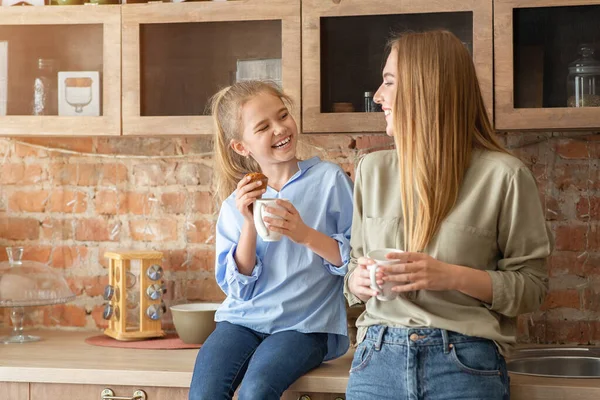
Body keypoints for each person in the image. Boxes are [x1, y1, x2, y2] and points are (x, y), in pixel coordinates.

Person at [345, 30, 553, 400]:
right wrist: (357, 282)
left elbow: (532, 289)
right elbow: (353, 271)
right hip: (377, 359)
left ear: (426, 88)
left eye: (389, 82)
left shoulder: (504, 176)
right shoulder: (371, 171)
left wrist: (450, 276)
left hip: (464, 362)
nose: (377, 96)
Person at [189, 80, 353, 400]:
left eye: (283, 116)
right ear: (241, 146)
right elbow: (239, 287)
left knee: (256, 390)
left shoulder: (330, 180)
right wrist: (249, 224)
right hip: (241, 322)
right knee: (205, 392)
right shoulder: (234, 205)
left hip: (305, 326)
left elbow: (355, 260)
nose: (280, 129)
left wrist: (303, 234)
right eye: (263, 126)